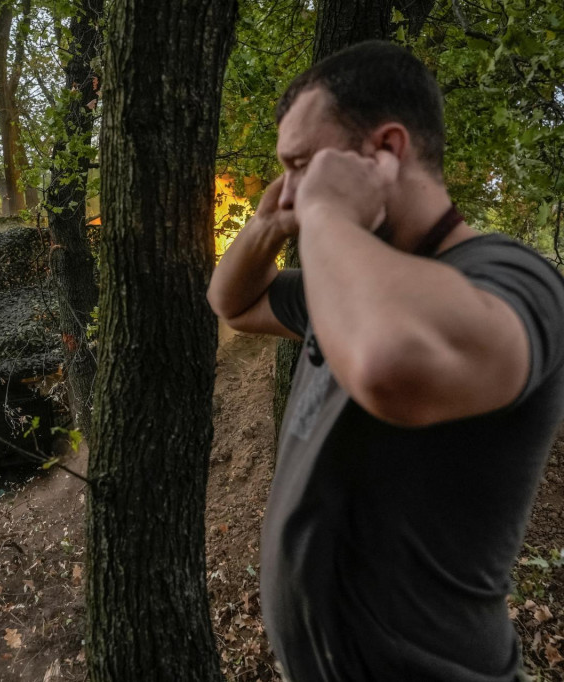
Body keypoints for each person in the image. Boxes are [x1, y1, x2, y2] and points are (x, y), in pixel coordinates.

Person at [208, 40, 564, 682]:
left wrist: (322, 213)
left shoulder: (513, 278)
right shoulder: (345, 275)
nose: (293, 188)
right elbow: (231, 302)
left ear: (387, 151)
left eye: (304, 164)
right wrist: (271, 224)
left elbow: (387, 365)